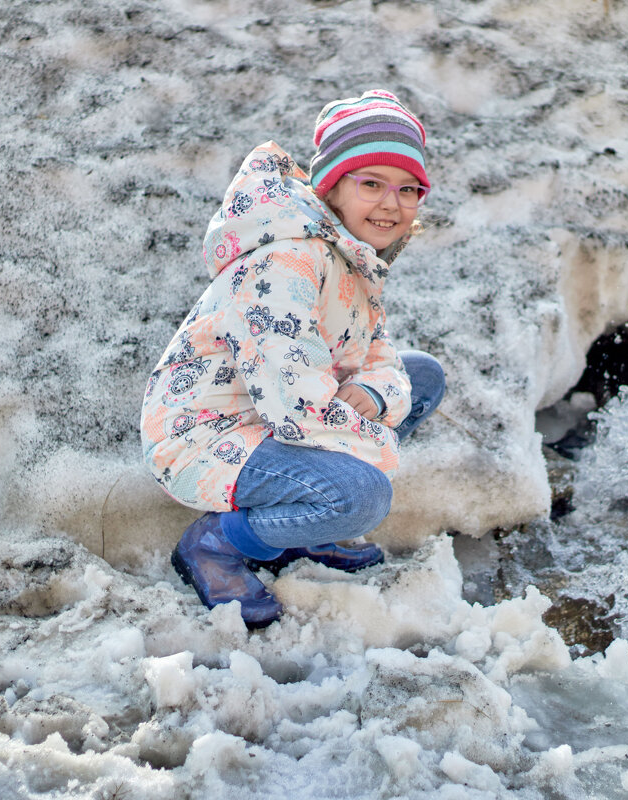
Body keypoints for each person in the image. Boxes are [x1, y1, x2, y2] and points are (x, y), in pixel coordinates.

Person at [140, 90, 446, 628]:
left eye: (408, 189)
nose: (391, 204)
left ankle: (303, 525)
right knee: (363, 496)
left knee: (420, 377)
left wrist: (376, 395)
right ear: (331, 187)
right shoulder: (287, 259)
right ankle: (216, 543)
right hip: (205, 435)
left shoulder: (349, 255)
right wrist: (371, 445)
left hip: (276, 418)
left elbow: (380, 353)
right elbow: (294, 403)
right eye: (370, 184)